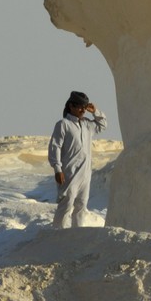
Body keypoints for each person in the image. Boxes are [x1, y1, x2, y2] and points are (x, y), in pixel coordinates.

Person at [48, 91, 108, 228]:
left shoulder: (87, 124)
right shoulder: (63, 124)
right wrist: (57, 169)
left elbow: (103, 124)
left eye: (84, 107)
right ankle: (57, 235)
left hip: (85, 173)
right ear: (71, 106)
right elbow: (55, 146)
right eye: (80, 107)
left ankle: (77, 234)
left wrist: (95, 111)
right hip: (69, 172)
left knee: (81, 206)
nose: (82, 110)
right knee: (66, 204)